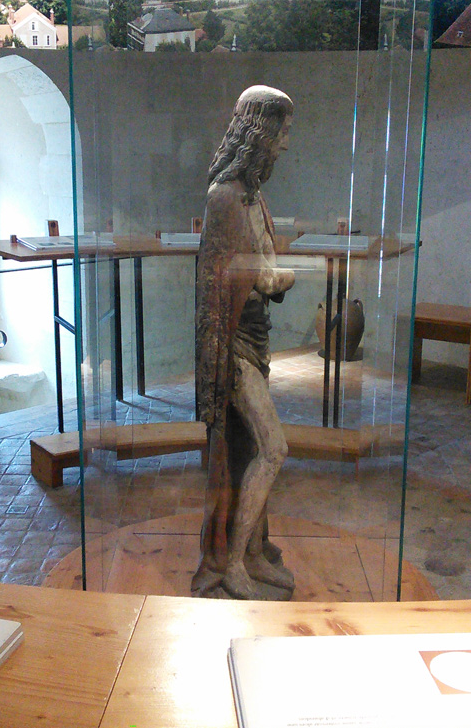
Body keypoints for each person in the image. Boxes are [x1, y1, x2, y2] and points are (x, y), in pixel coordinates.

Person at [193, 85, 296, 600]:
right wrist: (273, 278)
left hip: (256, 339)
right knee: (273, 447)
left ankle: (254, 551)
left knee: (251, 448)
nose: (283, 146)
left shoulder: (254, 198)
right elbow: (218, 283)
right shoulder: (224, 199)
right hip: (231, 347)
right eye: (281, 134)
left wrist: (271, 277)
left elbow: (263, 268)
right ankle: (231, 562)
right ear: (260, 134)